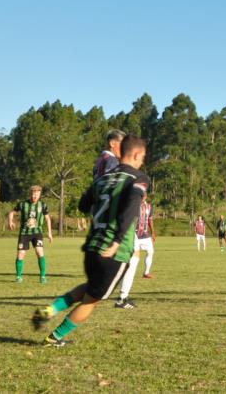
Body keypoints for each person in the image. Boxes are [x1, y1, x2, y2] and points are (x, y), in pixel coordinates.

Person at [30, 135, 149, 347]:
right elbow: (131, 206)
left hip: (92, 246)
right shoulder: (138, 178)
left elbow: (84, 205)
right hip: (113, 251)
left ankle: (50, 310)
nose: (142, 162)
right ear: (137, 154)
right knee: (92, 300)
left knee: (90, 287)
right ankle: (54, 338)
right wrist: (117, 240)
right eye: (142, 158)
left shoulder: (102, 179)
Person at [114, 192, 156, 309]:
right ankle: (122, 298)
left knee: (131, 261)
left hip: (133, 235)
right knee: (131, 262)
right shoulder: (131, 205)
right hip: (130, 234)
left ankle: (123, 296)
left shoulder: (144, 206)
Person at [8, 185, 53, 283]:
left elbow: (47, 218)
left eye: (36, 195)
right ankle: (19, 277)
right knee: (20, 254)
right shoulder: (23, 204)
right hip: (24, 233)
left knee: (39, 252)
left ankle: (42, 277)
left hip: (37, 233)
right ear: (30, 194)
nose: (34, 197)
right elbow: (11, 213)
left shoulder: (43, 205)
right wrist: (10, 221)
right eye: (33, 195)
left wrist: (50, 233)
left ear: (40, 195)